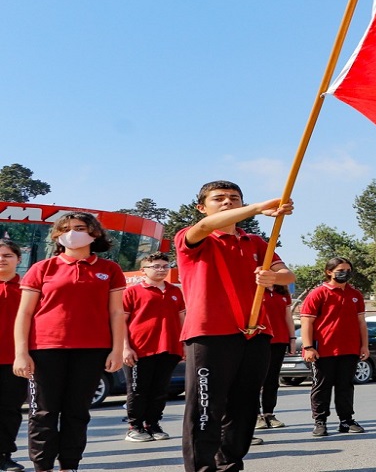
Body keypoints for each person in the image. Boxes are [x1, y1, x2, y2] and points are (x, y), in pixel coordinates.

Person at [174, 181, 294, 472]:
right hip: (209, 333)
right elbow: (205, 227)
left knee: (244, 406)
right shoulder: (194, 237)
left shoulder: (255, 243)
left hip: (255, 332)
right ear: (202, 207)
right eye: (219, 199)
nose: (228, 202)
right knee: (206, 406)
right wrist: (257, 207)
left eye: (234, 198)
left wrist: (272, 279)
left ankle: (229, 464)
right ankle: (202, 468)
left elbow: (287, 275)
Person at [13, 212, 127, 472]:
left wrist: (117, 349)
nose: (72, 232)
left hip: (92, 350)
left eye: (79, 227)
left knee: (77, 413)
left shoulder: (109, 269)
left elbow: (116, 313)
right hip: (46, 349)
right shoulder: (42, 268)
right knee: (44, 412)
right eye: (65, 228)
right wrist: (22, 353)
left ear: (94, 233)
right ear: (57, 235)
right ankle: (43, 466)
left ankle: (69, 466)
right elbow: (25, 313)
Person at [300, 258, 369, 437]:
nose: (344, 272)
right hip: (322, 350)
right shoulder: (318, 293)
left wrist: (364, 346)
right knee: (321, 387)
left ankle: (346, 420)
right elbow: (307, 321)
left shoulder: (356, 294)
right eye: (340, 269)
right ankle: (320, 422)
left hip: (349, 349)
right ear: (329, 272)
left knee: (345, 386)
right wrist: (308, 347)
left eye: (347, 269)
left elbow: (361, 323)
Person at [122, 252, 185, 443]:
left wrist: (184, 345)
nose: (161, 270)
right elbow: (121, 322)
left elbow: (183, 319)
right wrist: (125, 347)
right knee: (138, 390)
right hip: (139, 349)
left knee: (160, 389)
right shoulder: (132, 292)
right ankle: (135, 426)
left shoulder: (175, 291)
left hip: (168, 348)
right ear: (143, 270)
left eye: (165, 266)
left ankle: (153, 424)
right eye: (156, 266)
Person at [0, 240, 28, 472]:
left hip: (14, 361)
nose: (2, 259)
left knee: (9, 410)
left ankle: (4, 455)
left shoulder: (30, 290)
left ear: (19, 259)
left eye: (8, 255)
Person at [256, 283, 294, 431]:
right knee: (256, 380)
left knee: (272, 380)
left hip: (279, 340)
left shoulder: (283, 293)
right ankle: (255, 415)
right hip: (259, 339)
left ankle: (269, 414)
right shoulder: (256, 289)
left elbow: (288, 317)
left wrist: (292, 339)